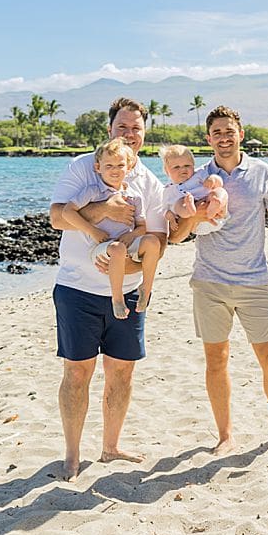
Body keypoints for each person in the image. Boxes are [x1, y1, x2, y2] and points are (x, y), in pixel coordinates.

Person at [170, 105, 268, 457]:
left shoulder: (262, 172)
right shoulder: (197, 178)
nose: (224, 138)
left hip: (254, 281)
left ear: (240, 134)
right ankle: (225, 436)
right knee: (216, 360)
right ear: (208, 139)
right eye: (217, 133)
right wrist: (194, 216)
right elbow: (176, 236)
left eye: (229, 131)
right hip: (209, 283)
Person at [48, 98, 167, 481]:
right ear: (110, 130)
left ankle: (111, 447)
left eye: (136, 128)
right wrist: (102, 213)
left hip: (128, 291)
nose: (129, 134)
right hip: (77, 289)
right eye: (122, 127)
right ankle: (72, 455)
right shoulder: (85, 167)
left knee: (121, 374)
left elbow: (157, 239)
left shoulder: (148, 182)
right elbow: (56, 218)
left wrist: (125, 265)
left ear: (144, 134)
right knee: (77, 373)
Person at [61, 137, 162, 317]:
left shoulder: (134, 196)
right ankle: (117, 299)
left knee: (153, 242)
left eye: (120, 165)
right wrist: (92, 231)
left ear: (129, 167)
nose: (115, 170)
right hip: (101, 248)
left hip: (126, 244)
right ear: (98, 167)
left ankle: (146, 289)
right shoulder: (93, 191)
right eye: (109, 166)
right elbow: (67, 212)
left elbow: (141, 227)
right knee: (117, 249)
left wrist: (131, 236)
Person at [159, 144, 229, 234]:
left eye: (187, 165)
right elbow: (165, 210)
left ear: (193, 166)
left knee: (220, 191)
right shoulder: (168, 190)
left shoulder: (199, 175)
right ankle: (189, 209)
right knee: (178, 204)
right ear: (166, 170)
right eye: (176, 167)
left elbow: (219, 183)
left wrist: (213, 179)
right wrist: (172, 219)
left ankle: (217, 203)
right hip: (196, 224)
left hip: (216, 214)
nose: (183, 169)